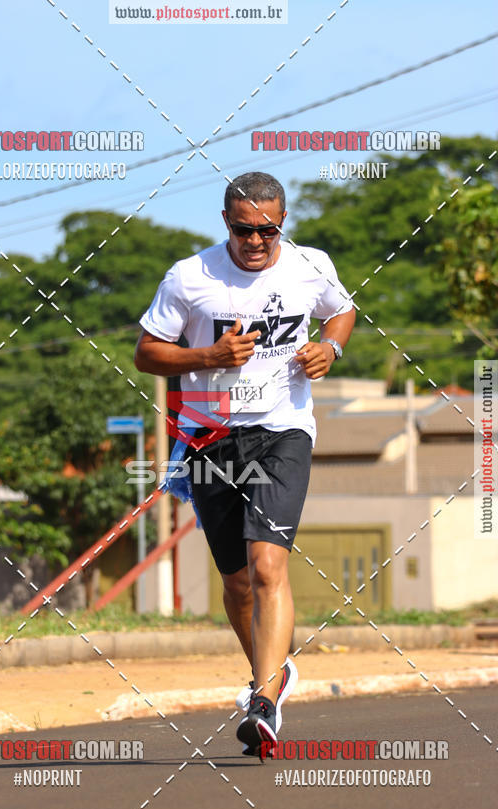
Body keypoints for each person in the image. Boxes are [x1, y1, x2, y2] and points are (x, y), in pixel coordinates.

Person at [134, 172, 355, 756]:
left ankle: (263, 699)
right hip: (211, 438)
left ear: (282, 223)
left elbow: (341, 311)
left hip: (284, 431)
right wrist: (207, 355)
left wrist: (330, 347)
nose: (255, 241)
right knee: (236, 581)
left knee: (266, 565)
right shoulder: (190, 277)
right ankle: (272, 674)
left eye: (267, 230)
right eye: (243, 230)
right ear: (225, 222)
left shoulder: (310, 265)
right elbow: (146, 353)